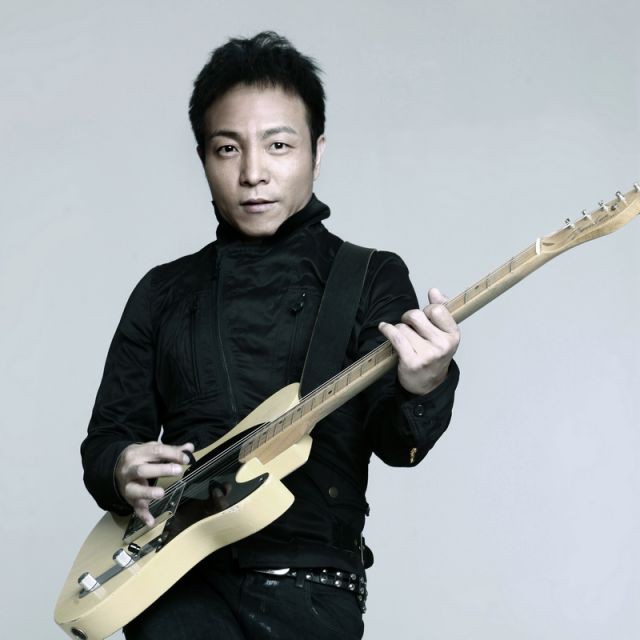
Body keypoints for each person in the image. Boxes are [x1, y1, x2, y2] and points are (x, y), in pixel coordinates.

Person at [81, 31, 460, 640]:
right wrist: (119, 467)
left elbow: (396, 443)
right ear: (203, 157)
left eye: (278, 145)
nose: (253, 173)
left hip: (312, 589)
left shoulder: (368, 276)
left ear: (317, 151)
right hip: (175, 585)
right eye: (227, 148)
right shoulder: (162, 292)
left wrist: (425, 385)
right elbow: (107, 440)